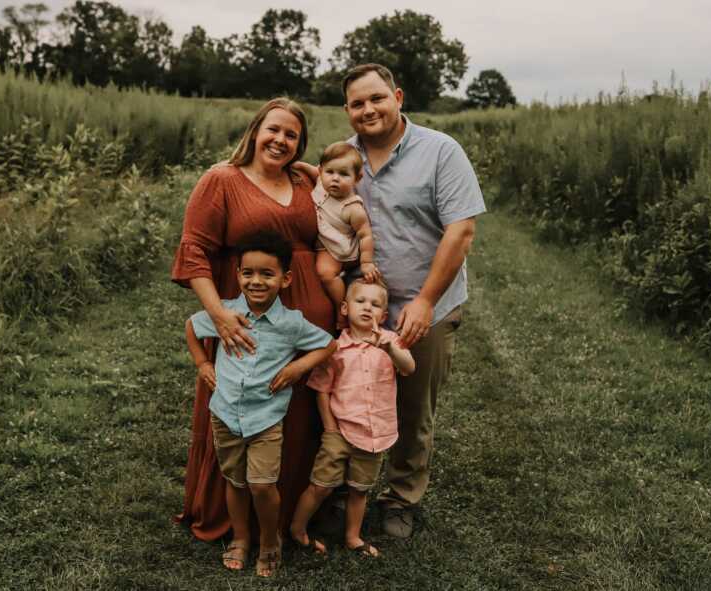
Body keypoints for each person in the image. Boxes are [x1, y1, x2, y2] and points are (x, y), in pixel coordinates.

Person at [170, 98, 335, 557]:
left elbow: (344, 183)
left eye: (292, 136)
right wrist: (219, 316)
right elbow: (194, 252)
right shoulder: (221, 179)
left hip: (301, 325)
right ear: (255, 129)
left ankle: (287, 513)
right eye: (274, 130)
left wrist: (310, 167)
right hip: (245, 318)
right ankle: (234, 517)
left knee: (297, 415)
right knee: (240, 403)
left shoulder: (304, 179)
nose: (281, 141)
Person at [340, 64, 486, 538]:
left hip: (426, 304)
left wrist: (424, 300)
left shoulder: (441, 151)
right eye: (358, 103)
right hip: (361, 308)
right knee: (350, 395)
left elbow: (461, 230)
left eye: (377, 98)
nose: (369, 109)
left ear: (398, 96)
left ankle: (401, 498)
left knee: (412, 406)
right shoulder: (345, 157)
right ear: (348, 111)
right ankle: (345, 488)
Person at [185, 232, 336, 576]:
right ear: (237, 275)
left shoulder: (291, 323)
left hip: (266, 419)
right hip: (224, 414)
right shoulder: (225, 314)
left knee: (262, 485)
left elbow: (328, 345)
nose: (256, 281)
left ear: (285, 279)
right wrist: (203, 364)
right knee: (235, 482)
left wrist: (298, 367)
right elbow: (191, 327)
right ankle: (240, 538)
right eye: (248, 273)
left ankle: (270, 541)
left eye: (267, 274)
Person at [289, 278, 414, 558]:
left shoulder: (391, 341)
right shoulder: (335, 349)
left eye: (376, 304)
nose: (367, 308)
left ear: (384, 315)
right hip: (340, 432)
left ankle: (353, 537)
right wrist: (331, 429)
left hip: (375, 435)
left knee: (360, 489)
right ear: (345, 308)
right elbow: (321, 389)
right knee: (321, 485)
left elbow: (409, 367)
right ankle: (297, 529)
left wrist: (390, 349)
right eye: (361, 301)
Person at [297, 142, 380, 326]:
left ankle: (341, 308)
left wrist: (367, 262)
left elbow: (365, 235)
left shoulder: (352, 208)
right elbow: (311, 170)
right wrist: (296, 164)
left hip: (335, 248)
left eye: (343, 174)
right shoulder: (320, 183)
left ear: (357, 178)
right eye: (330, 172)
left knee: (325, 273)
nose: (335, 179)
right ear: (321, 171)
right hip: (320, 241)